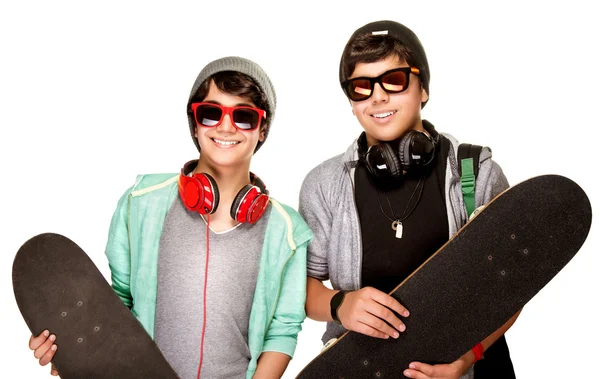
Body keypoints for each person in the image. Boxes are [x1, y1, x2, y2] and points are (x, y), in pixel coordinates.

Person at [27, 56, 312, 379]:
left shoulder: (286, 230)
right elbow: (114, 304)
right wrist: (71, 349)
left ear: (262, 130)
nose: (226, 126)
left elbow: (283, 329)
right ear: (194, 123)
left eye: (244, 117)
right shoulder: (141, 201)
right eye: (211, 113)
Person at [299, 20, 520, 379]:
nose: (378, 96)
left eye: (394, 80)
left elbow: (515, 280)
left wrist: (467, 358)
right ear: (352, 102)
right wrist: (340, 304)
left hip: (471, 367)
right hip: (365, 369)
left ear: (423, 89)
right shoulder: (325, 185)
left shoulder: (476, 174)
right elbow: (301, 289)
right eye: (361, 87)